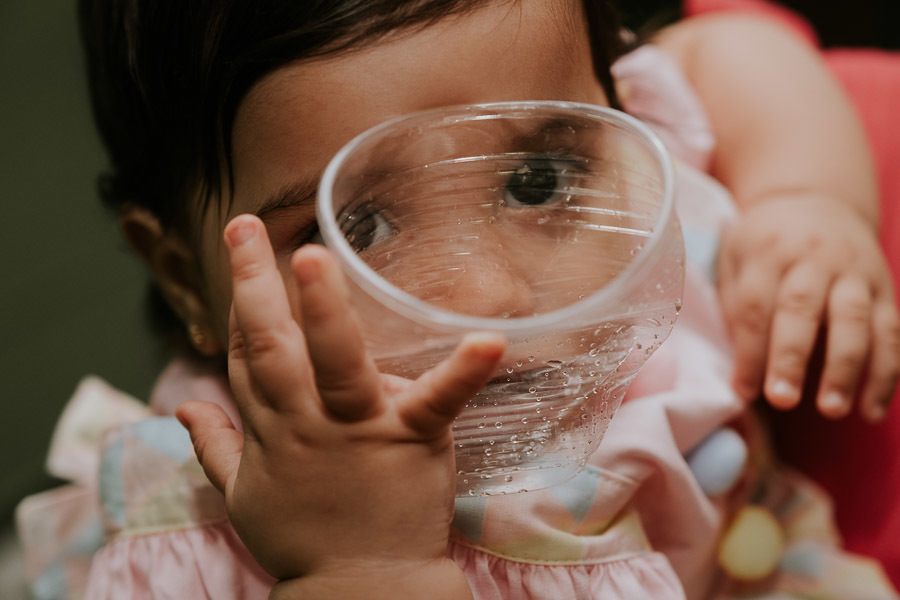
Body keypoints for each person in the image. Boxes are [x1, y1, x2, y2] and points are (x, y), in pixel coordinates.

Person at [15, 0, 900, 598]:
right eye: (351, 229)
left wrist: (804, 200)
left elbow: (727, 44)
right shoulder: (211, 545)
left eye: (537, 179)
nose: (484, 296)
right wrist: (362, 568)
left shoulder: (638, 158)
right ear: (183, 277)